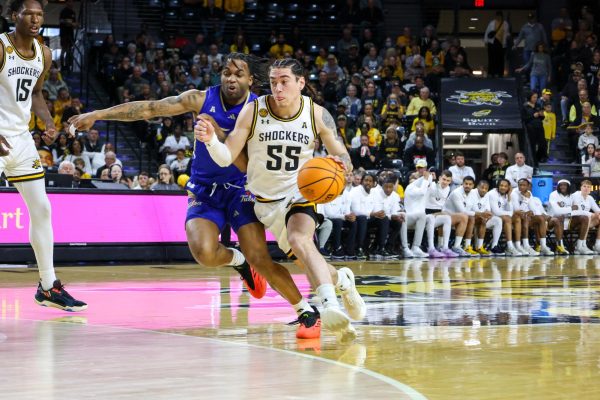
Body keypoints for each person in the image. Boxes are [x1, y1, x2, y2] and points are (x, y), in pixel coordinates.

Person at [195, 58, 366, 340]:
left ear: (301, 82)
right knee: (304, 262)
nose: (277, 87)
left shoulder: (316, 114)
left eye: (284, 80)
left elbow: (344, 156)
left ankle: (329, 305)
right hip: (263, 201)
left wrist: (340, 165)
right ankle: (344, 281)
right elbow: (226, 157)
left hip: (299, 194)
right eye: (273, 81)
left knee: (301, 241)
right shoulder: (254, 111)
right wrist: (212, 140)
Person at [0, 0, 86, 311]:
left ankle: (48, 286)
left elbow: (36, 94)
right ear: (14, 16)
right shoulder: (1, 47)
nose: (36, 19)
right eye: (29, 14)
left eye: (40, 14)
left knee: (42, 210)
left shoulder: (43, 53)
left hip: (21, 140)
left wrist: (48, 122)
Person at [484, 11, 509, 78]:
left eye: (499, 16)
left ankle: (500, 73)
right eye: (497, 16)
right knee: (492, 58)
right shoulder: (492, 23)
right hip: (492, 42)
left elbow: (506, 34)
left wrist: (505, 44)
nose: (498, 17)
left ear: (501, 16)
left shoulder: (505, 23)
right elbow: (487, 32)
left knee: (500, 59)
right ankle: (491, 73)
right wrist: (486, 41)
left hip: (500, 43)